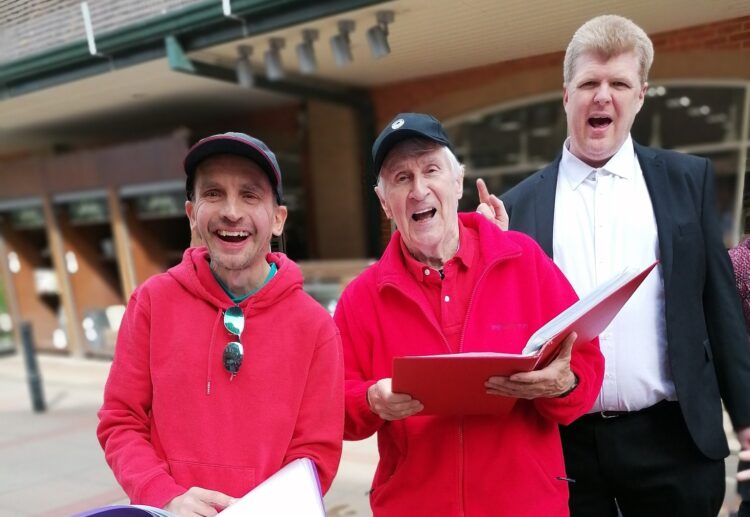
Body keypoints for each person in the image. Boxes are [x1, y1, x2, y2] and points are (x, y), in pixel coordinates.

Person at [490, 15, 750, 517]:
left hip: (672, 440)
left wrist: (746, 426)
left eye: (619, 83)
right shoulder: (518, 208)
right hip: (562, 443)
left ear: (641, 94)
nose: (602, 96)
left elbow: (720, 309)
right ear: (566, 94)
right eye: (589, 82)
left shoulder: (685, 180)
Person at [335, 112, 604, 516]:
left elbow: (586, 365)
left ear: (457, 181)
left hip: (527, 506)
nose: (419, 189)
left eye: (430, 169)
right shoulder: (362, 298)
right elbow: (334, 404)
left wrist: (563, 384)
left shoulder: (522, 260)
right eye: (401, 178)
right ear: (384, 202)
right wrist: (371, 400)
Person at [97, 132, 343, 516]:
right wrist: (163, 494)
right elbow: (120, 421)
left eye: (249, 195)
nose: (231, 211)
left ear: (278, 219)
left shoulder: (315, 328)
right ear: (192, 214)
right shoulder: (151, 303)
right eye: (213, 194)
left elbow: (316, 452)